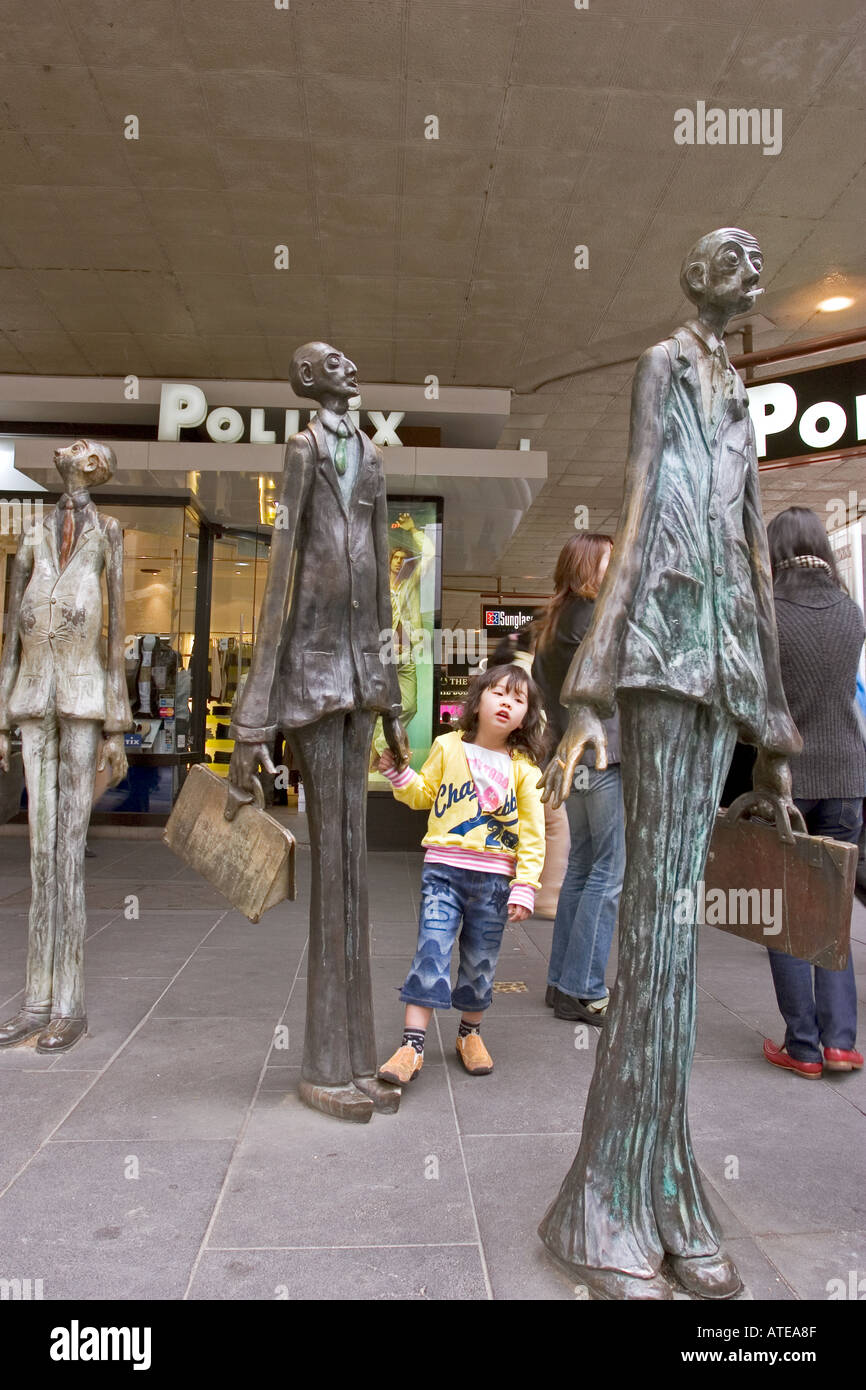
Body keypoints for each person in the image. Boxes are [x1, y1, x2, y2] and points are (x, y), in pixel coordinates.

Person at [538, 229, 801, 1301]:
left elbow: (747, 544)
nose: (750, 264)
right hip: (652, 657)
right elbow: (641, 501)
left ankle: (665, 1187)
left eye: (754, 255)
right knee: (649, 923)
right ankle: (608, 1199)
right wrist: (589, 688)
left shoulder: (740, 392)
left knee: (675, 937)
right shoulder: (662, 365)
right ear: (692, 276)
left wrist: (771, 731)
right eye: (728, 253)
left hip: (715, 668)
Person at [226, 342, 409, 1125]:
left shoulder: (369, 452)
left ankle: (355, 1060)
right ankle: (323, 1064)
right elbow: (280, 577)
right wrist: (253, 715)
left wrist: (393, 694)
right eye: (333, 363)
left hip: (361, 679)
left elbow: (376, 581)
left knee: (354, 874)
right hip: (309, 673)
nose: (351, 367)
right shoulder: (302, 451)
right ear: (306, 380)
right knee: (332, 866)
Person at [0, 440, 131, 1054]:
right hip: (32, 698)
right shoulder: (30, 537)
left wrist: (115, 722)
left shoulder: (107, 532)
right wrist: (3, 713)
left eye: (88, 456)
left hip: (81, 700)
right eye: (76, 452)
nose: (78, 459)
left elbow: (115, 634)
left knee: (69, 852)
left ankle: (69, 1005)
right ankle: (34, 1001)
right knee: (40, 854)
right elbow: (10, 636)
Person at [375, 664, 546, 1085]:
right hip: (444, 873)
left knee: (481, 961)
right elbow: (422, 795)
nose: (507, 703)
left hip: (495, 884)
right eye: (499, 693)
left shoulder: (525, 768)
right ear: (478, 699)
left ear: (526, 716)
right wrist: (397, 773)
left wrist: (526, 885)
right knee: (430, 950)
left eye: (518, 699)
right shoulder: (448, 747)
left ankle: (470, 1035)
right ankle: (411, 1045)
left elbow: (534, 834)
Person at [762, 507, 866, 1077]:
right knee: (831, 909)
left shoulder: (771, 613)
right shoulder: (851, 612)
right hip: (849, 777)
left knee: (782, 911)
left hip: (788, 777)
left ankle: (802, 1043)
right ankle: (841, 1041)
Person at [533, 534, 624, 1023]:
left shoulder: (554, 623)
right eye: (611, 559)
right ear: (590, 566)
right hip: (604, 756)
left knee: (583, 866)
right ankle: (584, 987)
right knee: (607, 872)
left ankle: (562, 982)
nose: (619, 567)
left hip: (574, 762)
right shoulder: (592, 618)